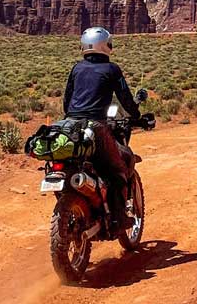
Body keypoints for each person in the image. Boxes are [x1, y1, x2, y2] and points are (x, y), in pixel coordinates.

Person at [63, 26, 140, 235]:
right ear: (105, 45)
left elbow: (66, 100)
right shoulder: (111, 69)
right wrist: (137, 116)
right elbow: (125, 98)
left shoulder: (76, 69)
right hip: (96, 126)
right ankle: (119, 218)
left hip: (70, 125)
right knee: (118, 169)